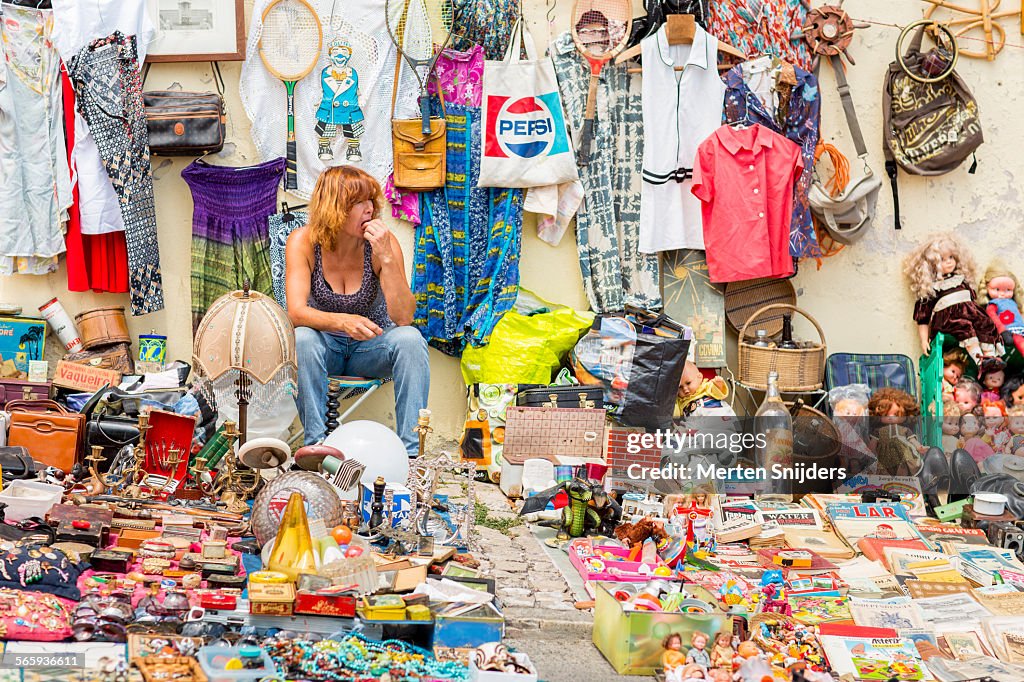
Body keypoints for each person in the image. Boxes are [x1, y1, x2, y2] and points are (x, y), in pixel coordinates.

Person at [286, 166, 429, 455]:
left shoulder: (381, 246)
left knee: (411, 339)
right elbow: (296, 312)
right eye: (359, 203)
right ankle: (317, 447)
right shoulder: (303, 241)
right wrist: (342, 322)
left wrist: (387, 258)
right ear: (334, 209)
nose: (371, 209)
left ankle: (411, 455)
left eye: (372, 201)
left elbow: (403, 317)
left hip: (369, 351)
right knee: (301, 337)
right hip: (323, 351)